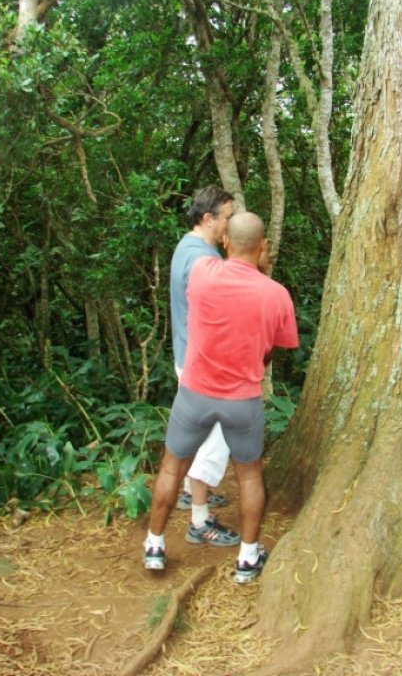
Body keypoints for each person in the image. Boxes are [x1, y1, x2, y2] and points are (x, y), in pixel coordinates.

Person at [144, 212, 299, 583]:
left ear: (226, 242)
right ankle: (247, 558)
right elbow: (277, 347)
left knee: (172, 468)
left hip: (195, 394)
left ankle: (155, 545)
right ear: (263, 246)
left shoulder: (202, 273)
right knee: (249, 476)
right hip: (242, 400)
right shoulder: (276, 294)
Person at [169, 185, 239, 547]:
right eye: (228, 217)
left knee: (198, 431)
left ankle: (187, 491)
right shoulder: (202, 261)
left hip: (188, 357)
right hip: (204, 365)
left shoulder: (188, 247)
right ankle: (200, 521)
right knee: (219, 436)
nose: (231, 224)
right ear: (208, 218)